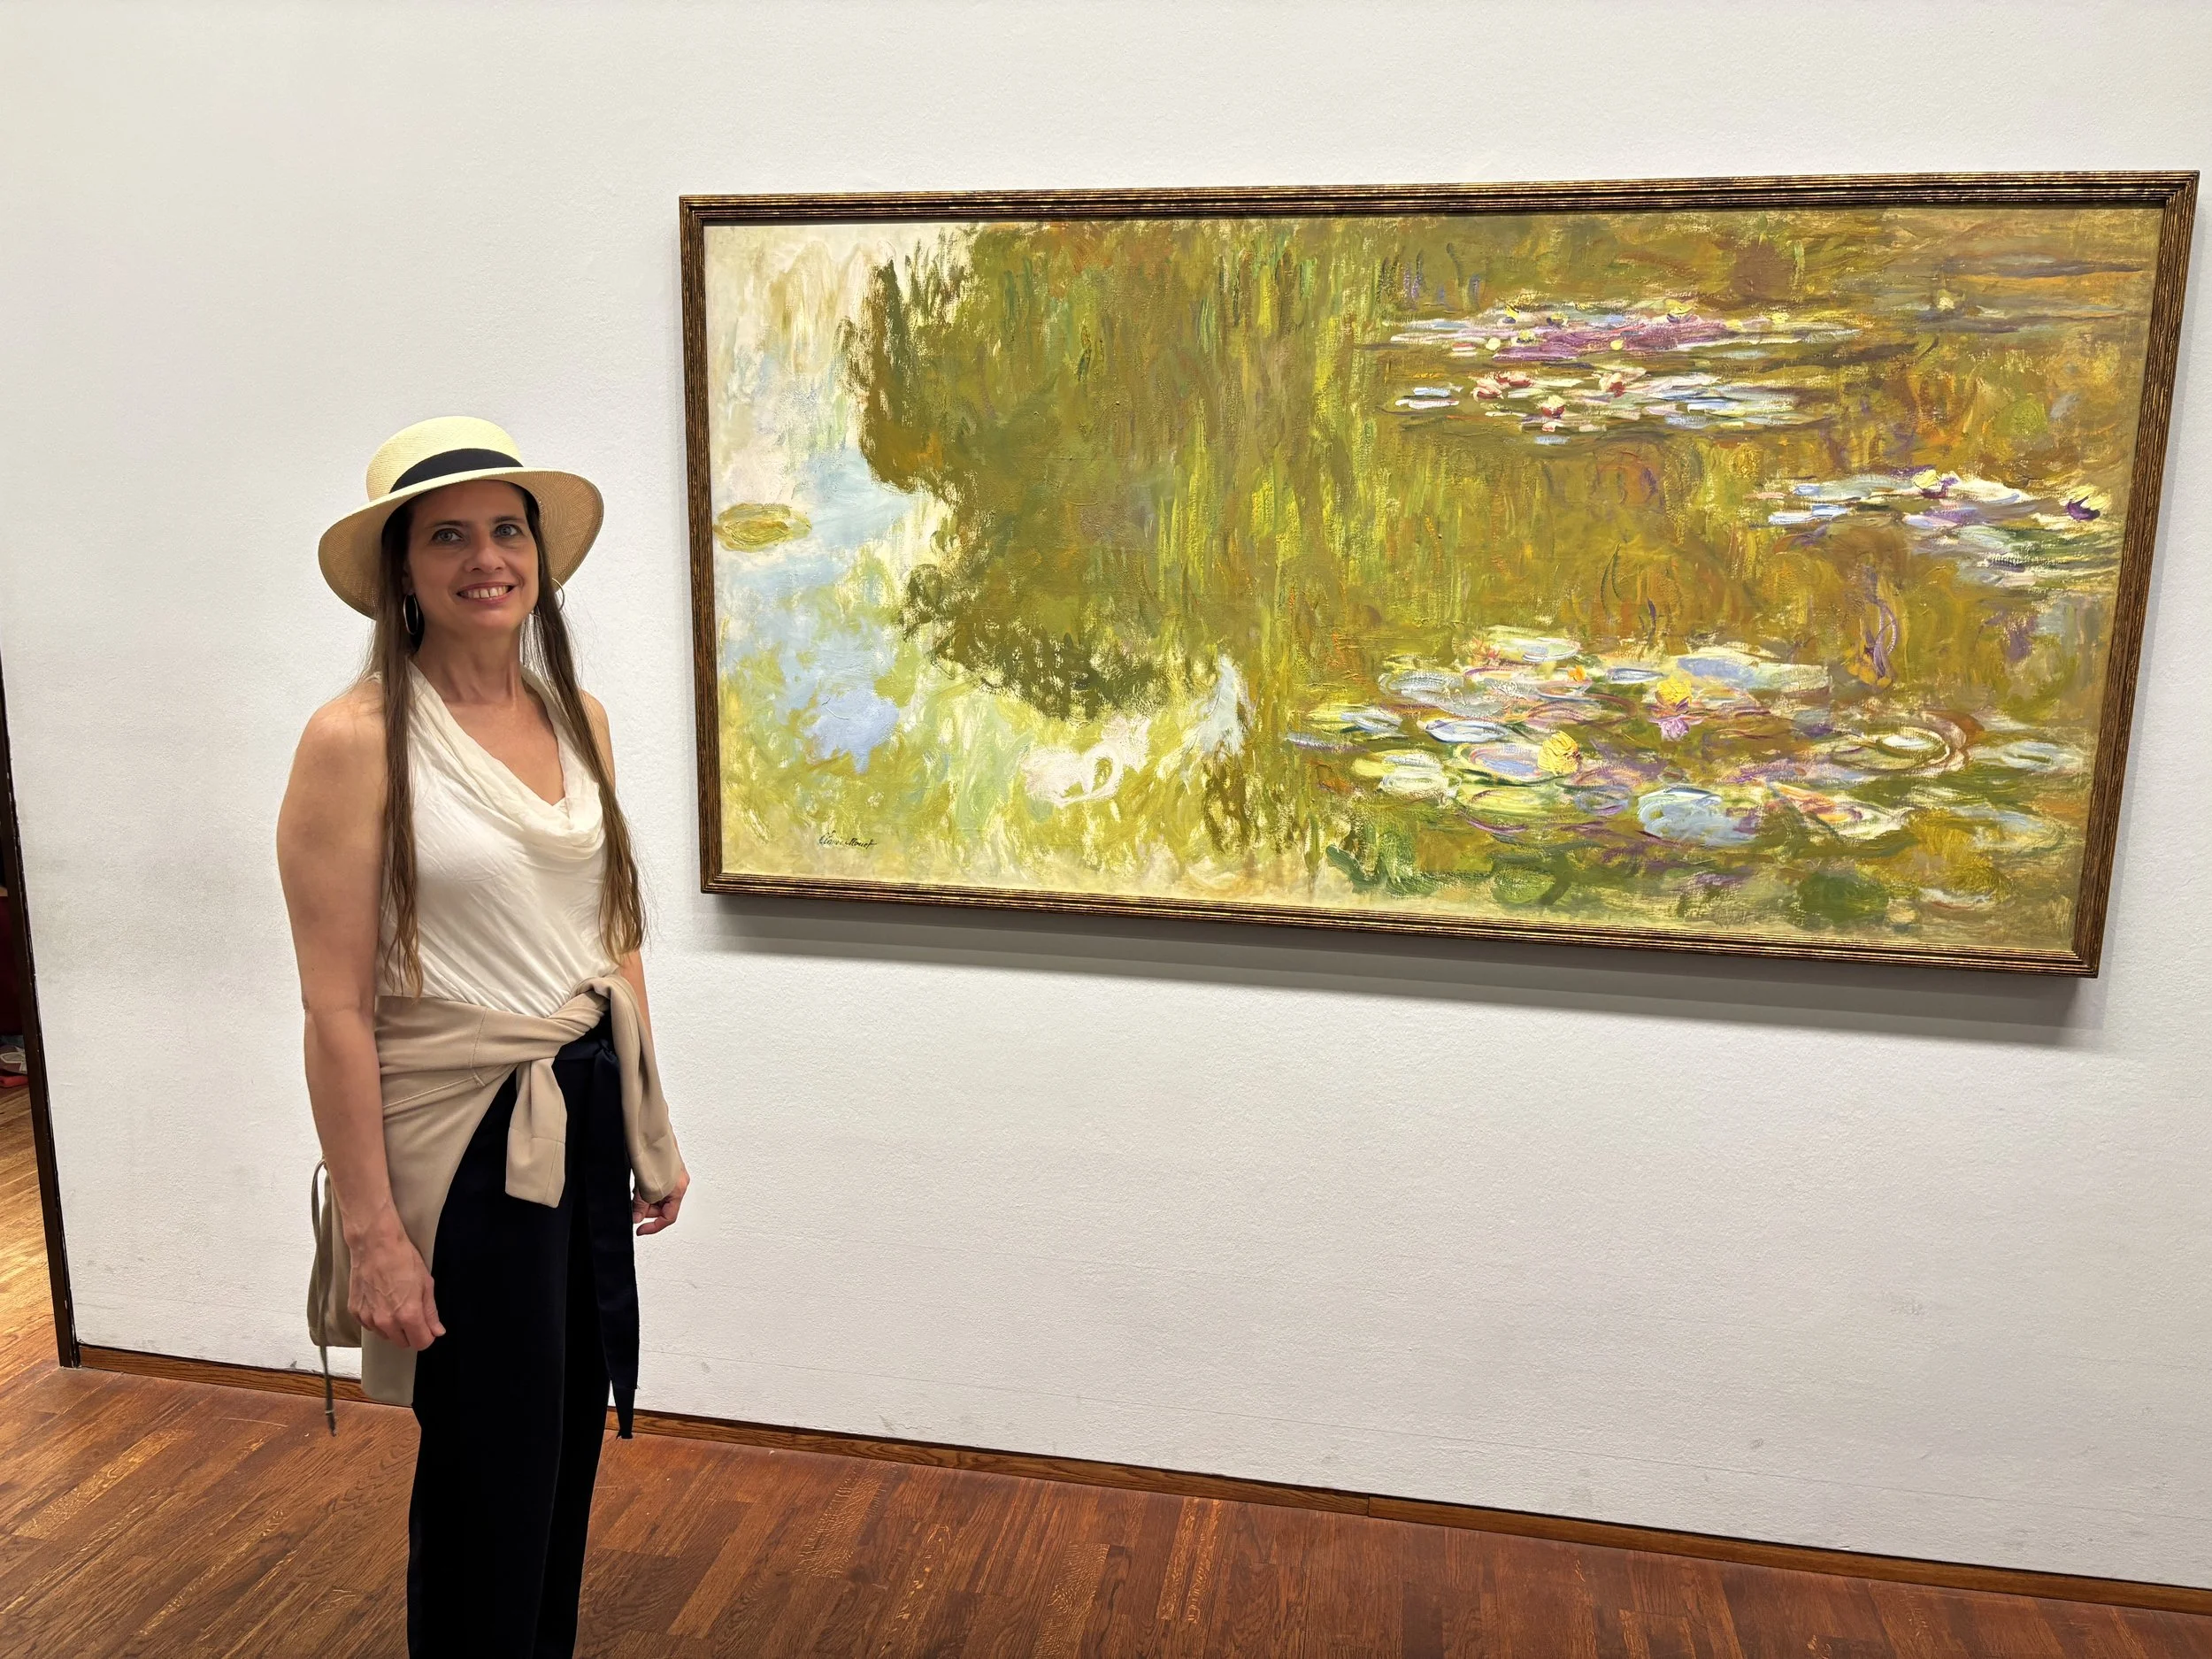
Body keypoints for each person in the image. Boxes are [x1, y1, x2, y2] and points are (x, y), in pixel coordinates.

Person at [277, 416, 690, 1656]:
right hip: (463, 1144)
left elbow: (612, 936)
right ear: (402, 570)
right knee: (486, 1473)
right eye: (447, 536)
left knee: (559, 1456)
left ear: (538, 554)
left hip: (578, 1117)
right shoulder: (356, 740)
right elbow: (335, 1007)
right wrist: (375, 1236)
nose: (485, 558)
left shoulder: (583, 719)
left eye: (506, 529)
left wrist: (651, 1127)